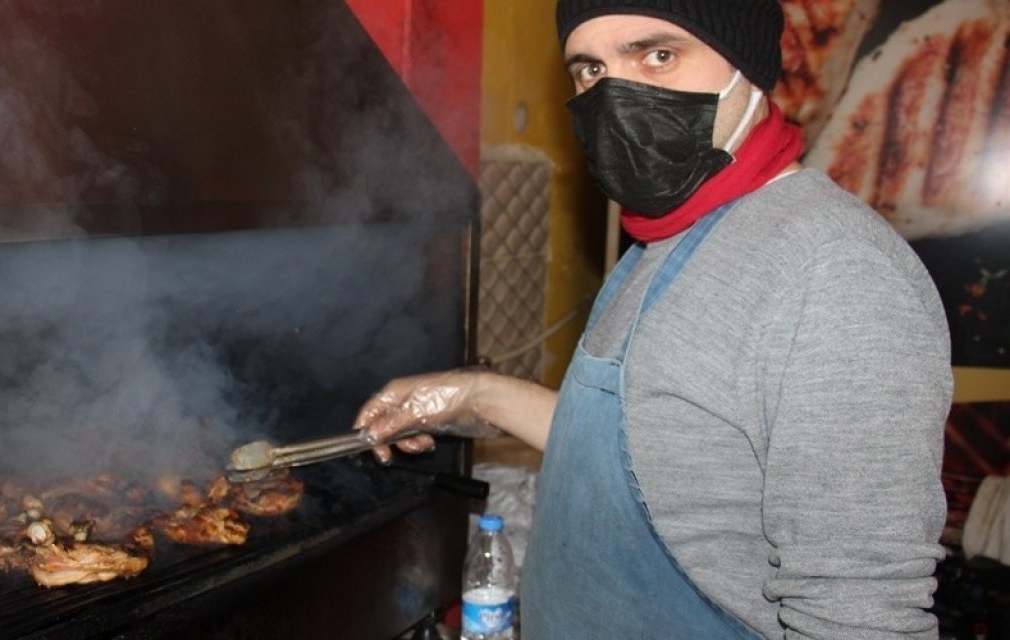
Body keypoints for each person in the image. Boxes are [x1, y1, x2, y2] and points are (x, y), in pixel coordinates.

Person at [353, 0, 954, 637]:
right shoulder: (662, 242)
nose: (616, 95)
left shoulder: (836, 275)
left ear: (746, 69)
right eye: (589, 70)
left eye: (658, 55)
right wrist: (473, 393)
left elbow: (860, 618)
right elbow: (647, 452)